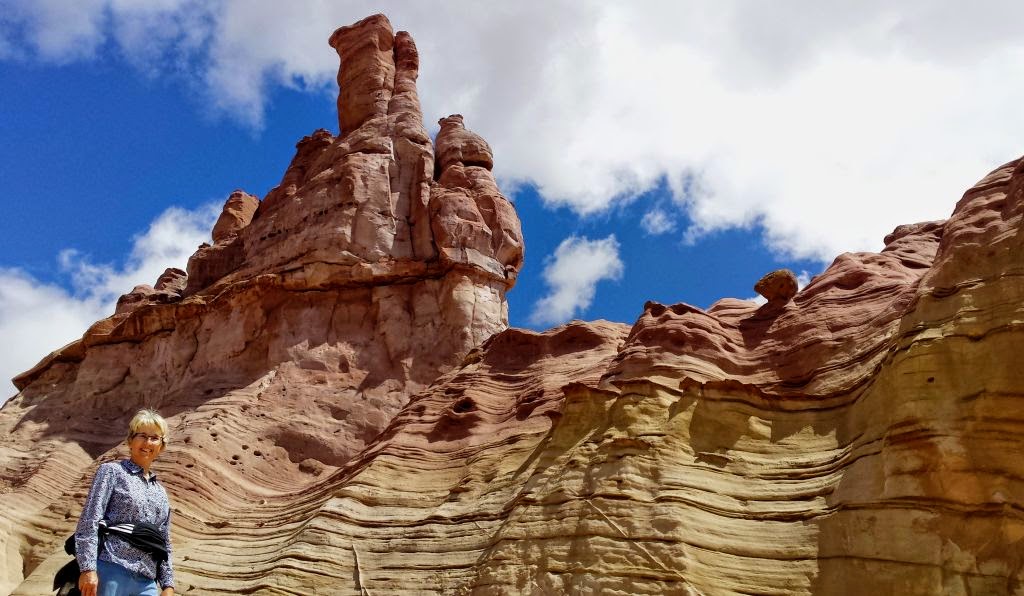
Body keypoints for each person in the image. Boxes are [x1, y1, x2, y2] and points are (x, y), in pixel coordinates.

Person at [74, 409, 175, 596]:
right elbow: (90, 519)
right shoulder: (112, 472)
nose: (147, 443)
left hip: (146, 581)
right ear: (130, 440)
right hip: (111, 569)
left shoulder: (160, 493)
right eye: (142, 436)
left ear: (162, 445)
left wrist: (168, 585)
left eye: (154, 438)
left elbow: (164, 541)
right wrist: (87, 569)